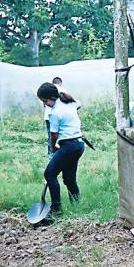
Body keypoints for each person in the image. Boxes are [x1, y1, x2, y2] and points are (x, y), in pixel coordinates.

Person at [36, 82, 84, 223]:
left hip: (68, 146)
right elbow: (79, 104)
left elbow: (53, 136)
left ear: (51, 97)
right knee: (69, 179)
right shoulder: (70, 103)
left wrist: (53, 149)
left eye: (45, 101)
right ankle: (77, 206)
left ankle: (56, 210)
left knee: (49, 174)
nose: (45, 105)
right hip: (78, 145)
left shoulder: (55, 113)